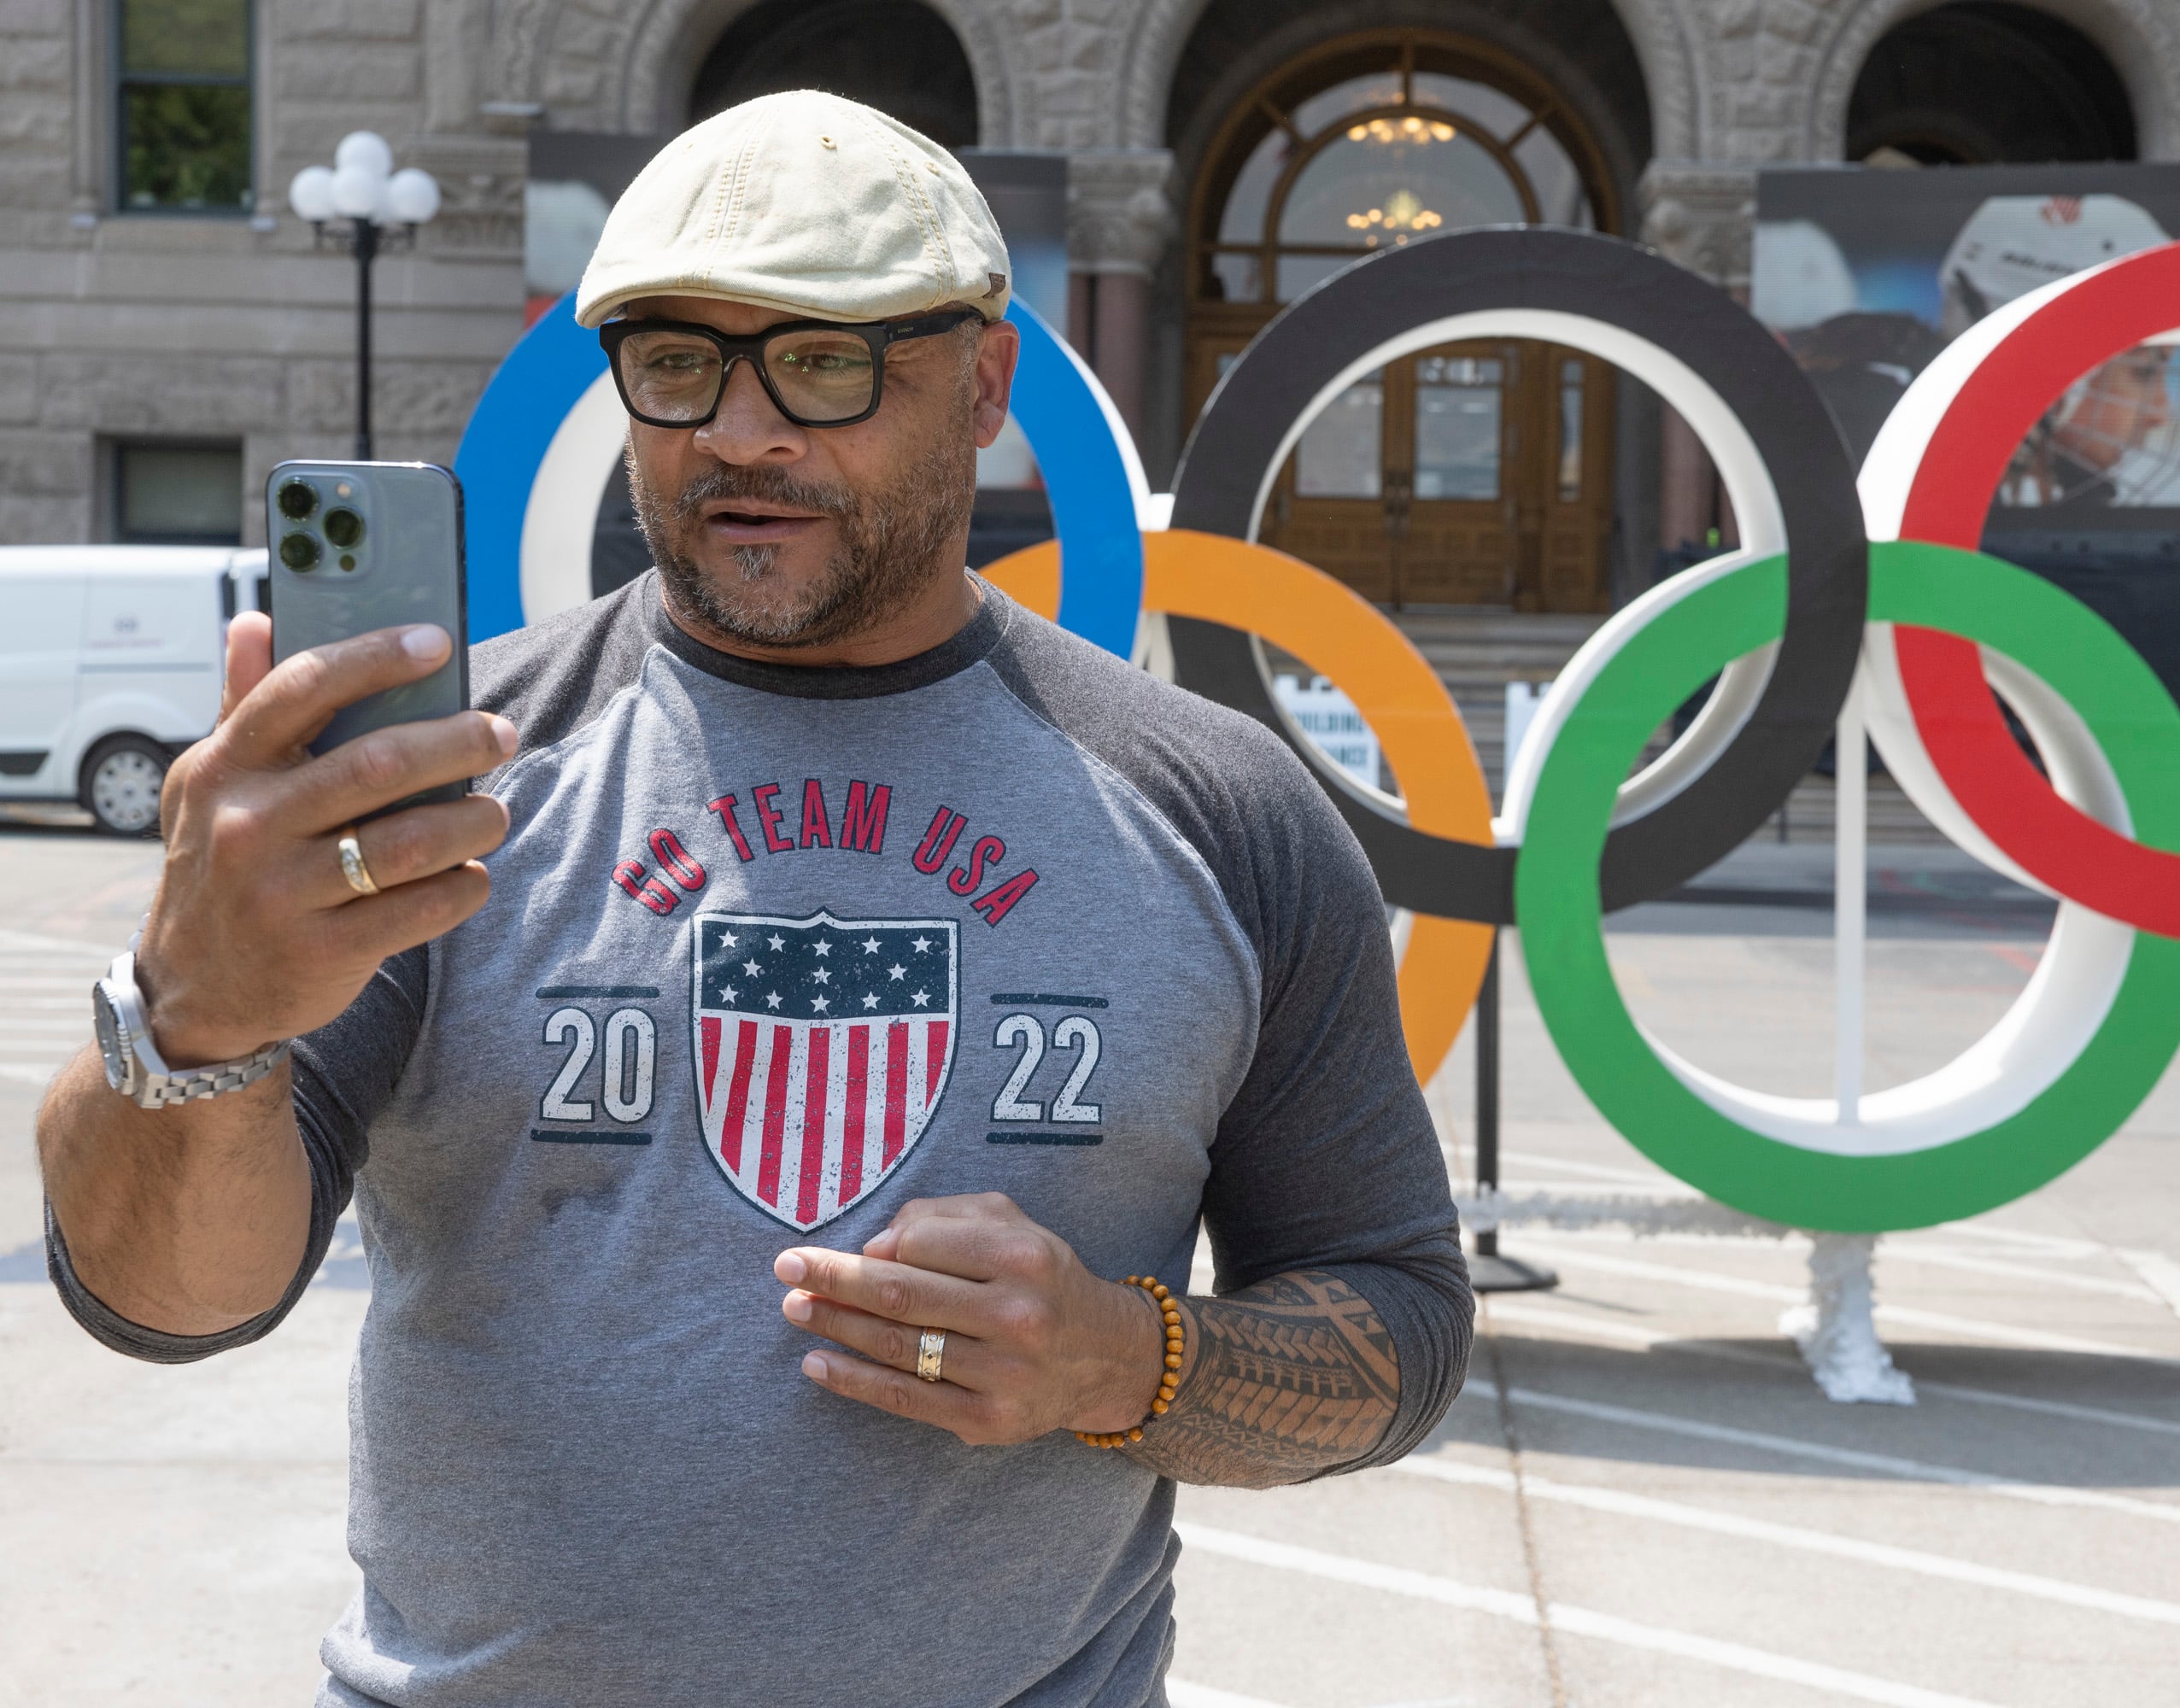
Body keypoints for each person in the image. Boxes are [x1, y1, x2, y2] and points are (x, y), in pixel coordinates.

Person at [36, 91, 1471, 1708]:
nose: (739, 429)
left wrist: (1122, 1360)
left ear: (984, 384)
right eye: (677, 361)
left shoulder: (1226, 811)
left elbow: (1403, 1323)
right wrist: (189, 1018)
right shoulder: (444, 788)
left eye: (824, 359)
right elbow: (163, 1303)